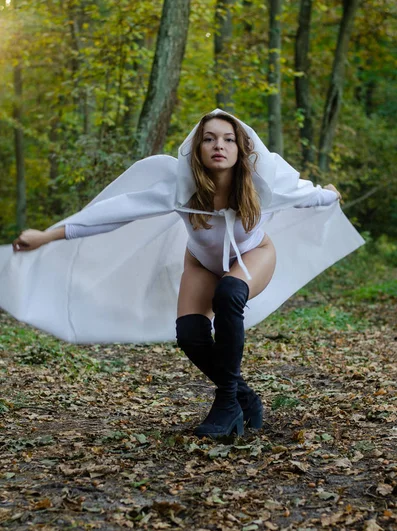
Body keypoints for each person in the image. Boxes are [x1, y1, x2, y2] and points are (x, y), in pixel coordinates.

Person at [7, 110, 361, 439]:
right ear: (197, 147)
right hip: (201, 262)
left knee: (229, 296)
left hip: (255, 254)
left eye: (227, 139)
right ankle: (244, 397)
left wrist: (329, 194)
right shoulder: (179, 189)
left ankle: (226, 405)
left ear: (241, 148)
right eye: (208, 139)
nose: (218, 146)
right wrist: (46, 236)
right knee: (190, 335)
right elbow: (111, 213)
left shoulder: (264, 185)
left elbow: (313, 196)